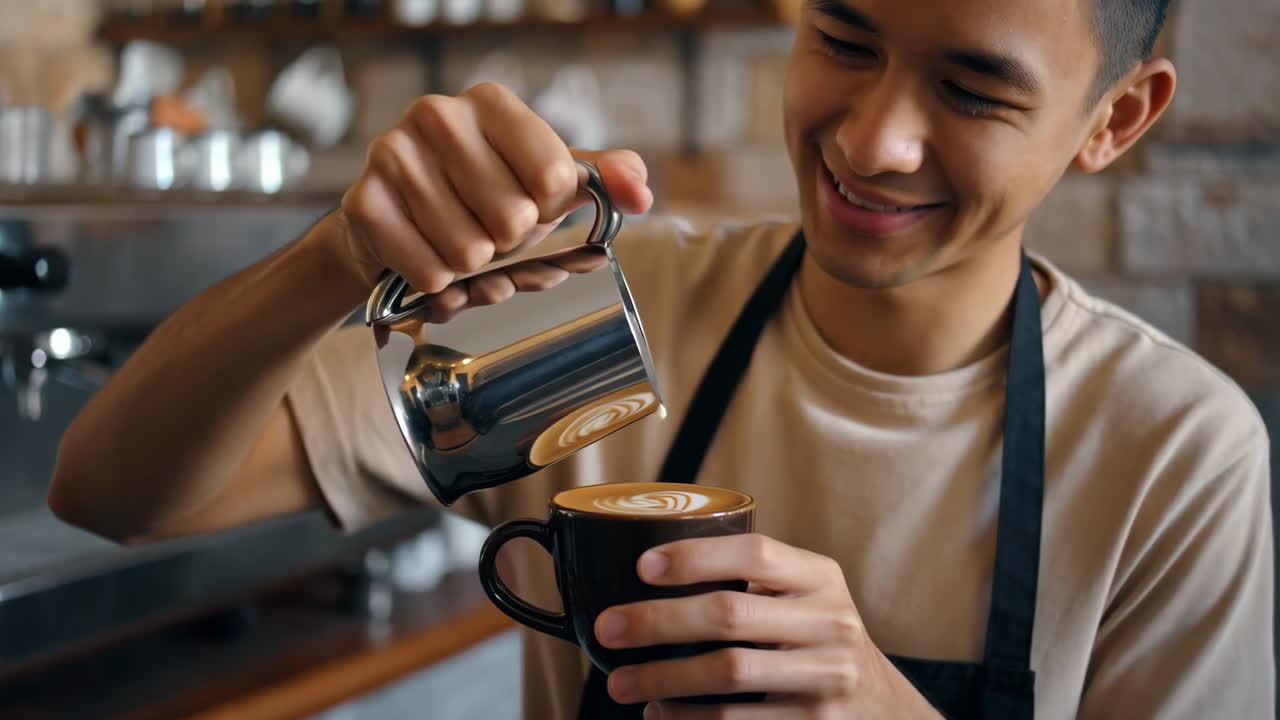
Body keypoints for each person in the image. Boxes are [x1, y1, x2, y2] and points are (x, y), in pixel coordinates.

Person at [48, 0, 1273, 716]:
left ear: (1112, 118)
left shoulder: (1171, 452)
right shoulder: (605, 320)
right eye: (844, 38)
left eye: (969, 89)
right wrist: (339, 253)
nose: (870, 137)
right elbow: (111, 492)